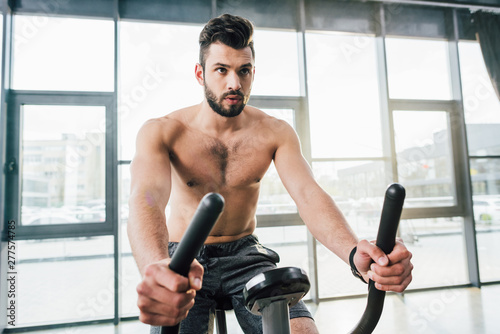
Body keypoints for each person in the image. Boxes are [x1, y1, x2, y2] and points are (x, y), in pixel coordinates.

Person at [128, 13, 413, 334]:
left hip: (246, 254)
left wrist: (353, 253)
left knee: (302, 331)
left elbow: (308, 194)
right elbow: (146, 198)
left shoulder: (274, 132)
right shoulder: (162, 132)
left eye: (243, 71)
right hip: (182, 256)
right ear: (200, 73)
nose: (234, 83)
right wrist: (156, 268)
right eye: (221, 70)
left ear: (252, 73)